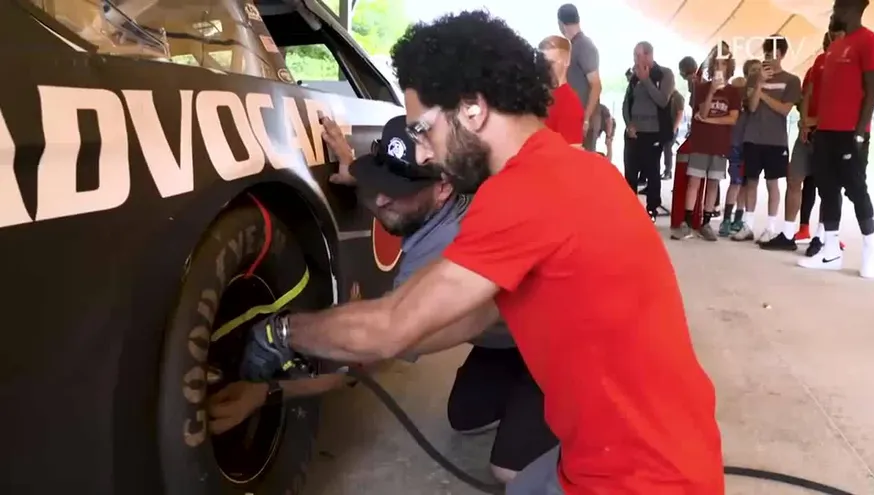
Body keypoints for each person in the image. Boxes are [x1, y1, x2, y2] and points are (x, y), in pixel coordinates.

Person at [240, 11, 724, 494]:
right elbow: (465, 319)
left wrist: (278, 332)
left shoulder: (521, 193)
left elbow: (389, 329)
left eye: (422, 130)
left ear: (472, 108)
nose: (425, 154)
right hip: (661, 448)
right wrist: (293, 381)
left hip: (640, 480)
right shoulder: (579, 169)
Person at [215, 115, 560, 482]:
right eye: (380, 180)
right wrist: (354, 167)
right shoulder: (448, 190)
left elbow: (369, 356)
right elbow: (391, 187)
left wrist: (271, 376)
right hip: (513, 336)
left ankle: (587, 415)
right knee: (466, 418)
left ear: (443, 188)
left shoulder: (445, 260)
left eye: (397, 189)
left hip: (565, 342)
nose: (380, 197)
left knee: (508, 472)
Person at [799, 0, 874, 278]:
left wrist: (860, 130)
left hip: (851, 133)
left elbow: (872, 88)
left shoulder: (869, 41)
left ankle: (871, 251)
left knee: (857, 189)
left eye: (839, 7)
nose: (835, 12)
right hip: (827, 132)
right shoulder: (834, 47)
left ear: (855, 8)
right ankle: (830, 250)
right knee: (827, 188)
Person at [731, 35, 802, 243]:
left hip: (776, 140)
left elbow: (784, 110)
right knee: (750, 182)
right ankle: (748, 225)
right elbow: (751, 107)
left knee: (773, 184)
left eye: (771, 54)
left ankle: (771, 228)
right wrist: (759, 84)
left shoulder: (791, 80)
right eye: (766, 54)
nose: (768, 58)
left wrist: (763, 95)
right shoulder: (755, 78)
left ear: (780, 54)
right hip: (752, 136)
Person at [671, 42, 740, 241]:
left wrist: (709, 119)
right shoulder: (701, 88)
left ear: (729, 67)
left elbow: (732, 118)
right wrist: (711, 91)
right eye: (716, 64)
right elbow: (701, 111)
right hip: (701, 142)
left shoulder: (733, 92)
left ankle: (706, 222)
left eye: (723, 64)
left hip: (719, 144)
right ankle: (686, 220)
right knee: (694, 180)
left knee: (713, 182)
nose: (719, 68)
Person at [797, 28, 848, 257]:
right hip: (817, 131)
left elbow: (842, 102)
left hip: (838, 132)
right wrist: (806, 122)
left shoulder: (848, 64)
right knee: (812, 180)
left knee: (831, 186)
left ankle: (826, 235)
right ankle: (807, 229)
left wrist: (815, 120)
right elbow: (807, 94)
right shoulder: (818, 62)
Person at [623, 41, 676, 222]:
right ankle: (629, 208)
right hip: (633, 133)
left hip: (653, 132)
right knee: (630, 172)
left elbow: (663, 100)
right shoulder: (633, 75)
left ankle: (652, 208)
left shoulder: (665, 74)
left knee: (652, 172)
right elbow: (626, 102)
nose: (635, 60)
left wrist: (646, 80)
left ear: (648, 55)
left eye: (638, 56)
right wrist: (628, 124)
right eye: (634, 56)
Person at [719, 59, 760, 237]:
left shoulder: (759, 91)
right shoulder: (739, 86)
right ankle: (726, 218)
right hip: (736, 143)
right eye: (753, 70)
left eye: (759, 70)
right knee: (735, 182)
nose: (757, 73)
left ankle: (739, 217)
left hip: (751, 143)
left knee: (746, 183)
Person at [557, 3, 602, 151]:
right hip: (576, 120)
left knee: (584, 167)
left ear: (561, 24)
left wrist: (586, 119)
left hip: (583, 122)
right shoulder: (574, 46)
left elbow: (596, 85)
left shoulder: (584, 45)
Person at [539, 35, 585, 146]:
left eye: (551, 63)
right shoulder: (538, 96)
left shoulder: (569, 103)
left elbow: (572, 152)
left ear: (566, 61)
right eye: (542, 62)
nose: (545, 68)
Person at [663, 88, 686, 179]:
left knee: (668, 148)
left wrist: (674, 129)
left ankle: (668, 171)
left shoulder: (678, 97)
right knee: (665, 149)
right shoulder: (667, 95)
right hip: (665, 128)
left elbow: (680, 113)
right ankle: (666, 171)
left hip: (672, 127)